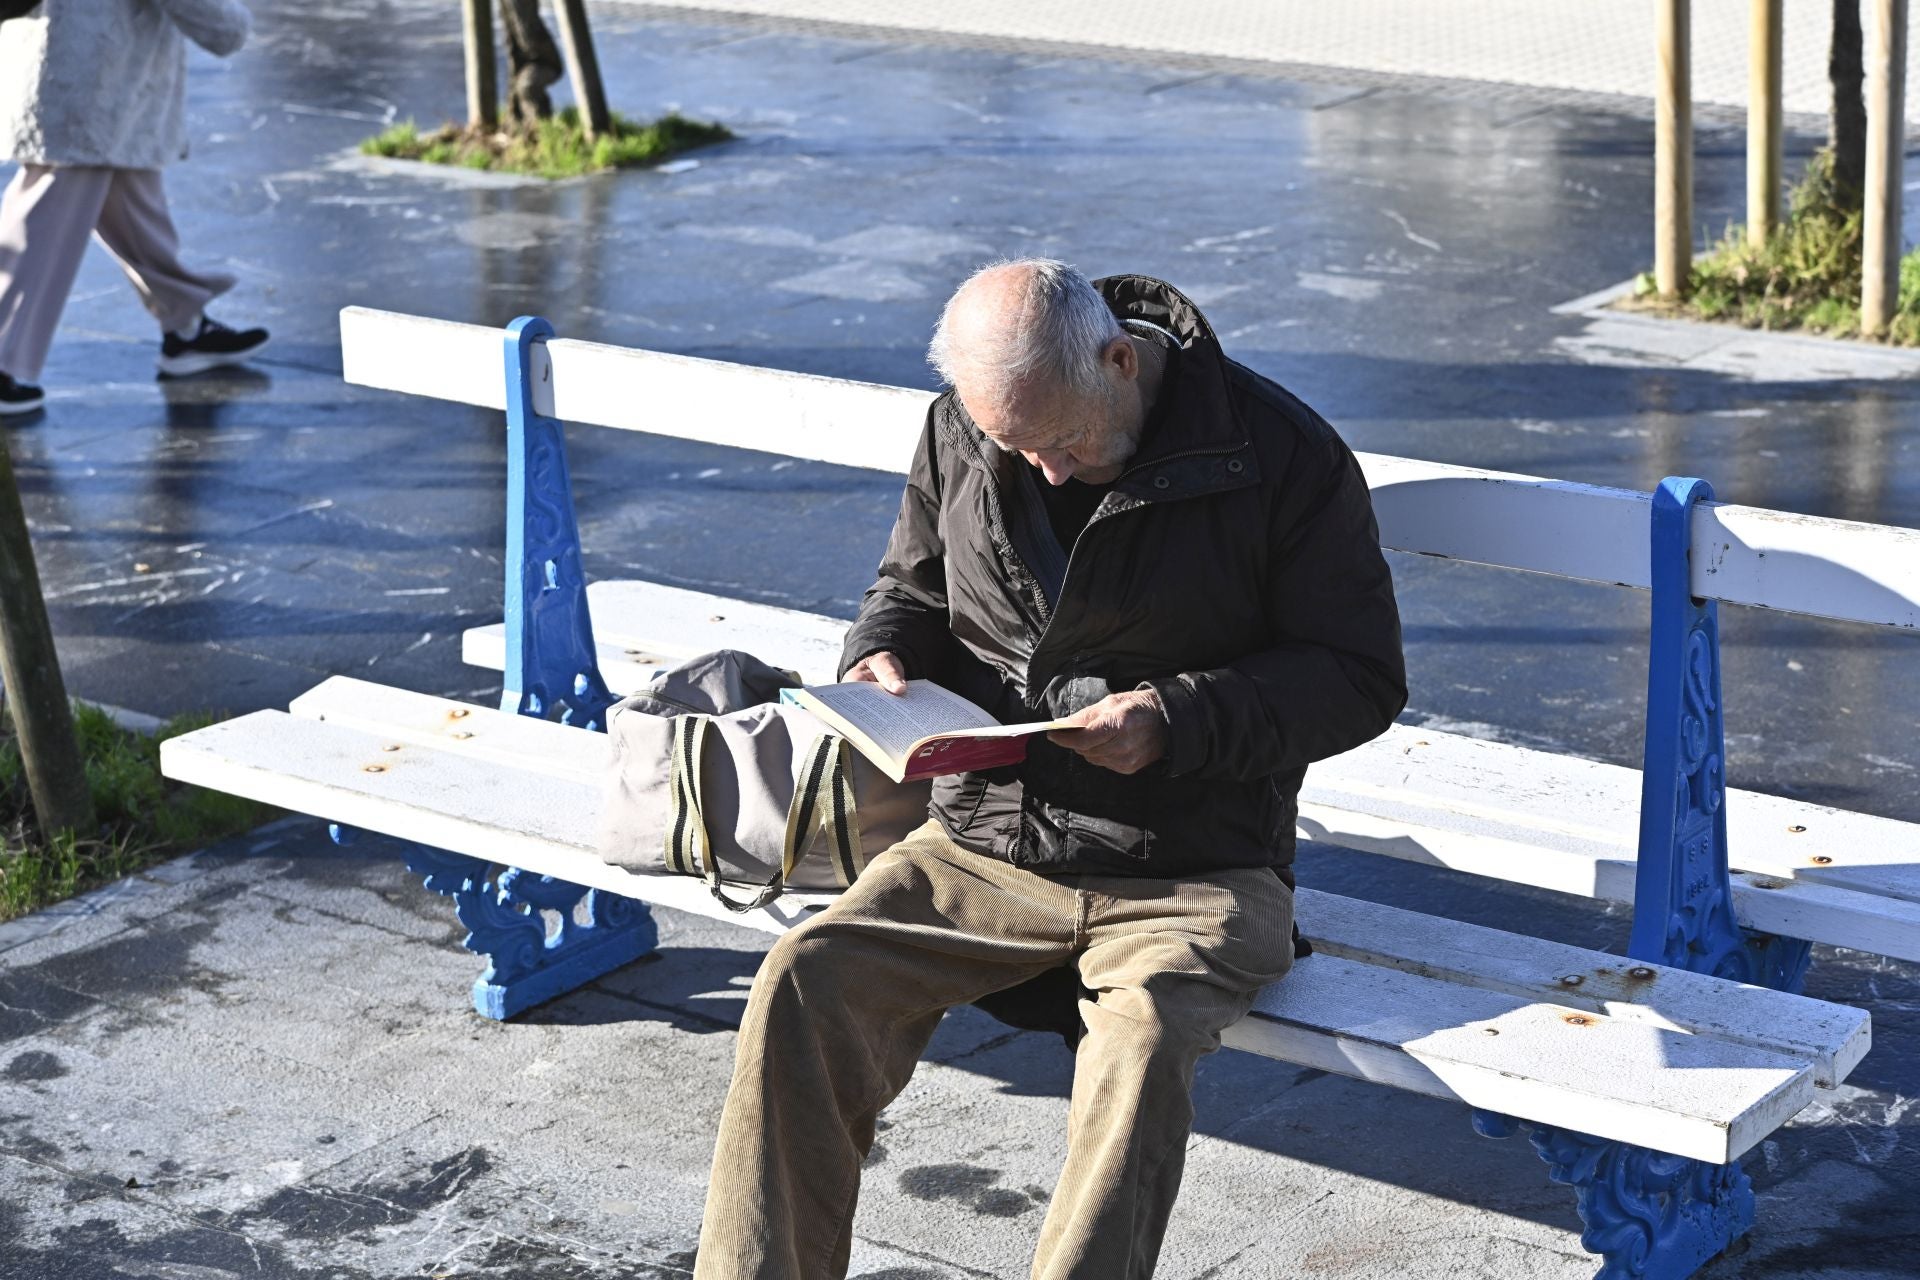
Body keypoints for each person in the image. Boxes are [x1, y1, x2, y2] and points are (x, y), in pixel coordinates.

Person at [694, 260, 1406, 1279]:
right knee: (807, 976)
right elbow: (913, 584)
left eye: (1063, 442)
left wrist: (1175, 716)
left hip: (1192, 866)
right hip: (989, 841)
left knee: (1141, 1045)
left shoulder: (1282, 454)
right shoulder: (962, 428)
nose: (1048, 472)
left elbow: (1360, 674)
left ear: (1121, 358)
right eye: (1014, 447)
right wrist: (881, 651)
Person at [0, 0, 268, 418]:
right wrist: (229, 25)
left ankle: (185, 323)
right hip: (93, 73)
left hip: (85, 64)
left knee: (133, 207)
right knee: (43, 216)